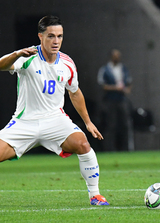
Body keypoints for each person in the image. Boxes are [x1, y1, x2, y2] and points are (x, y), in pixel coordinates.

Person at [0, 15, 109, 206]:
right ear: (40, 37)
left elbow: (74, 93)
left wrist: (88, 122)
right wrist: (16, 54)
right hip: (25, 122)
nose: (56, 41)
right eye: (51, 36)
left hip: (55, 120)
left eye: (59, 36)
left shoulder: (67, 63)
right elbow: (1, 65)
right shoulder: (27, 57)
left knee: (83, 145)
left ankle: (95, 195)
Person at [97, 49, 132, 151]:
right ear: (111, 56)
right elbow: (103, 85)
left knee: (125, 124)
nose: (117, 57)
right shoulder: (105, 69)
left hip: (122, 99)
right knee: (111, 125)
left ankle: (125, 148)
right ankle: (109, 148)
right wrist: (115, 88)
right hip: (110, 100)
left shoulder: (123, 68)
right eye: (115, 55)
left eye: (118, 55)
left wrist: (127, 90)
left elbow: (129, 82)